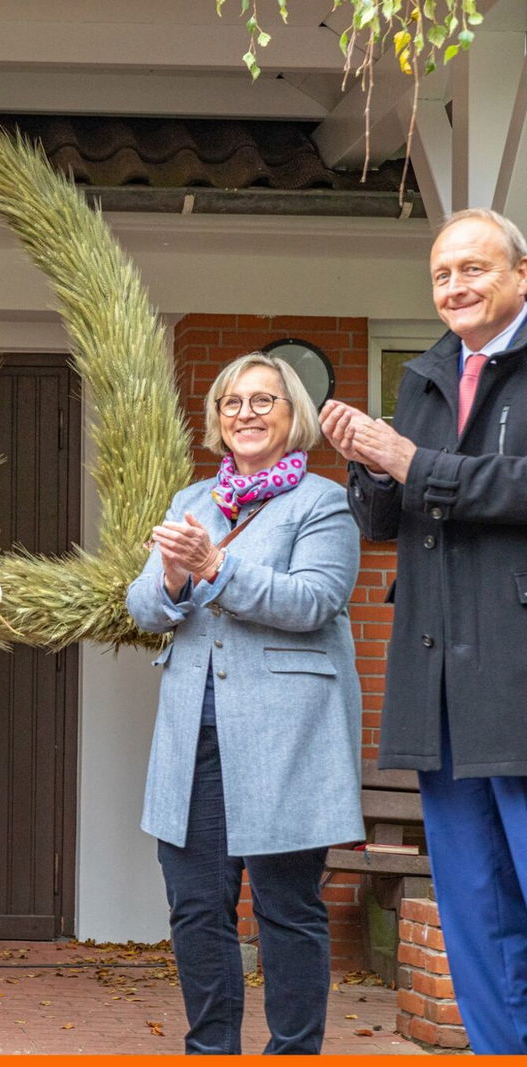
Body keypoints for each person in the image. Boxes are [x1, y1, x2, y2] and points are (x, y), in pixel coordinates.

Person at [321, 208, 527, 1054]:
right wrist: (365, 466)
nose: (455, 286)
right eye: (442, 275)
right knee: (473, 902)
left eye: (473, 268)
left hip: (516, 677)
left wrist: (413, 465)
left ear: (521, 273)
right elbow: (392, 516)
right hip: (437, 680)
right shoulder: (424, 374)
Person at [126, 351, 363, 1055]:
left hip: (286, 733)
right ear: (216, 420)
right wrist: (170, 579)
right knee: (197, 907)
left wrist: (215, 567)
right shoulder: (190, 503)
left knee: (287, 908)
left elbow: (316, 600)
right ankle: (212, 1049)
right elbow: (143, 608)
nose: (247, 414)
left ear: (295, 417)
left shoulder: (323, 501)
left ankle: (292, 1051)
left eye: (265, 401)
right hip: (192, 731)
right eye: (233, 402)